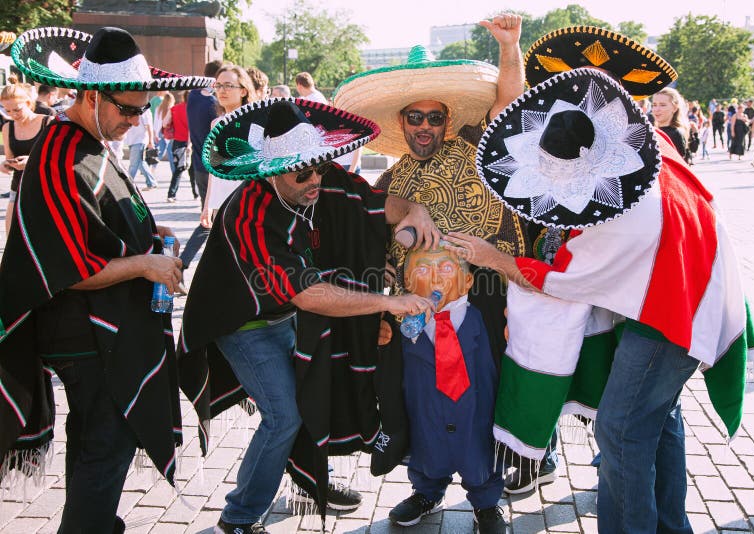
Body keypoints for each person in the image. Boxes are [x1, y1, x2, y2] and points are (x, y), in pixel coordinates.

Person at [445, 65, 754, 534]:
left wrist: (492, 257)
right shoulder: (650, 143)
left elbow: (560, 280)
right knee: (660, 417)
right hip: (694, 294)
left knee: (620, 430)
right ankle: (672, 526)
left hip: (673, 316)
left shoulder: (612, 217)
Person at [178, 98, 440, 534]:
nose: (317, 177)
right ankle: (240, 513)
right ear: (272, 170)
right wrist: (387, 303)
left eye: (320, 165)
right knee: (284, 413)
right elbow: (309, 295)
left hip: (287, 314)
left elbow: (377, 202)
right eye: (303, 172)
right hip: (244, 322)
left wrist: (416, 210)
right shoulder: (248, 213)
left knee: (317, 390)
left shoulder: (320, 178)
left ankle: (309, 479)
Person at [0, 26, 214, 533]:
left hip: (103, 330)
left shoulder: (88, 136)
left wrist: (147, 230)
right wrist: (145, 264)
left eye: (143, 110)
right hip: (84, 336)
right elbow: (69, 267)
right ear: (92, 95)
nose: (136, 121)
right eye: (128, 110)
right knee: (106, 443)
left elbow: (98, 222)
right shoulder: (60, 153)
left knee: (100, 443)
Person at [334, 13, 534, 520]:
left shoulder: (477, 150)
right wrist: (380, 313)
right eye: (414, 118)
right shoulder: (389, 183)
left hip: (483, 302)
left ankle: (486, 499)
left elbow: (510, 105)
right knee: (418, 404)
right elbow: (374, 249)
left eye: (434, 117)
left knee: (480, 403)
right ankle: (426, 487)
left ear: (448, 119)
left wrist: (509, 47)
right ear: (401, 123)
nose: (425, 126)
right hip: (413, 315)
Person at [381, 246, 506, 533]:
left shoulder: (484, 319)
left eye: (446, 269)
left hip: (476, 409)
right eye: (423, 270)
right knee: (426, 447)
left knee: (480, 453)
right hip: (425, 408)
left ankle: (485, 503)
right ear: (409, 283)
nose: (435, 278)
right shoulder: (403, 320)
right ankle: (426, 492)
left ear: (468, 281)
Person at [180, 59, 222, 269]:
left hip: (198, 164)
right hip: (212, 167)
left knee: (212, 221)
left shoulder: (194, 96)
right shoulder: (212, 104)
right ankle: (183, 262)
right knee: (210, 221)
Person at [200, 65, 255, 225]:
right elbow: (213, 168)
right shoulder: (216, 123)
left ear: (243, 91)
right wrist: (207, 205)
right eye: (218, 85)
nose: (222, 90)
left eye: (229, 85)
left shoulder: (253, 122)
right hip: (220, 202)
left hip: (245, 202)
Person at [0, 82, 51, 234]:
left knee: (42, 237)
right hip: (19, 186)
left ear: (28, 103)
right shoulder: (7, 127)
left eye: (17, 109)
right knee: (11, 234)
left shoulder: (47, 122)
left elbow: (57, 157)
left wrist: (31, 160)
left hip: (44, 188)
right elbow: (10, 158)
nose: (13, 115)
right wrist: (6, 164)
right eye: (7, 110)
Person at [124, 99, 158, 189]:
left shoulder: (145, 111)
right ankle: (152, 182)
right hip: (133, 140)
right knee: (140, 163)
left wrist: (151, 141)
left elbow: (149, 126)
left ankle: (127, 185)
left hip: (139, 140)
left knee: (133, 164)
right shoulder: (136, 109)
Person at [652, 87, 689, 162]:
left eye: (662, 105)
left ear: (674, 108)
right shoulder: (651, 132)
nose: (657, 109)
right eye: (654, 105)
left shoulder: (676, 134)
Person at [165, 90, 189, 202]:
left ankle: (171, 194)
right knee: (192, 170)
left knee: (178, 169)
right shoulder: (192, 110)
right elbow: (191, 129)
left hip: (176, 142)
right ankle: (195, 193)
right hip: (188, 143)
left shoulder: (174, 108)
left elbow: (165, 123)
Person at [153, 91, 175, 175]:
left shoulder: (158, 109)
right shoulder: (172, 109)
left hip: (160, 133)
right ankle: (174, 172)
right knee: (171, 154)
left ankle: (153, 169)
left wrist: (155, 134)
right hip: (170, 134)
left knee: (159, 153)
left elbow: (156, 122)